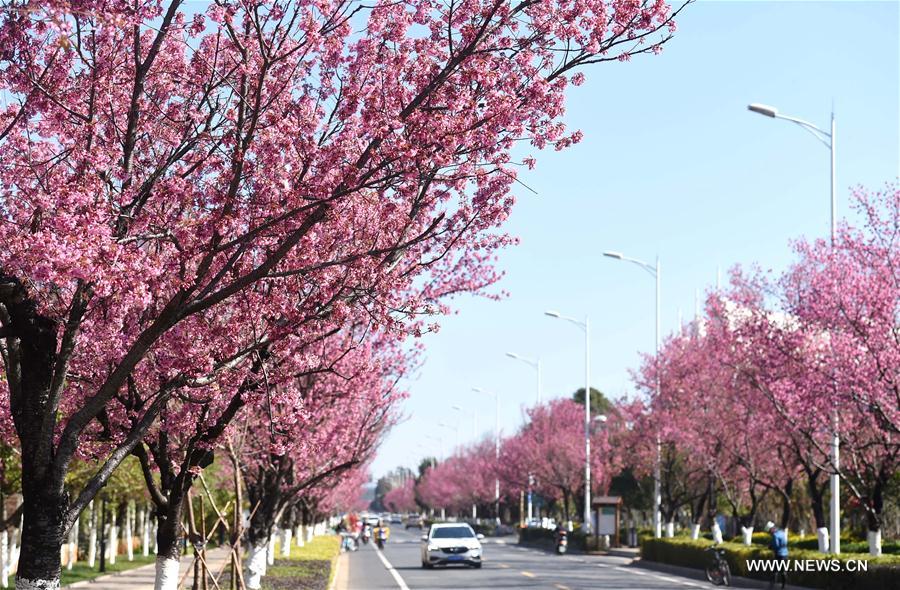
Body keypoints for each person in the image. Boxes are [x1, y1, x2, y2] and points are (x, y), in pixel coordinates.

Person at [766, 521, 788, 590]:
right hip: (785, 554)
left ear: (771, 529)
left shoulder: (775, 535)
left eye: (769, 531)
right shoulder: (782, 533)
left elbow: (776, 545)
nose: (770, 533)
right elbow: (785, 542)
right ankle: (783, 586)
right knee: (783, 571)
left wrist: (770, 547)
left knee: (775, 570)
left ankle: (772, 586)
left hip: (778, 555)